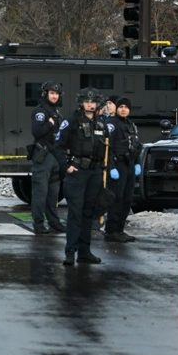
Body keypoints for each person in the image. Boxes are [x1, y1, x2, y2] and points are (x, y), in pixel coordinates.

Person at [57, 88, 109, 265]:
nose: (90, 104)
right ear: (81, 103)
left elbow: (106, 147)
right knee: (75, 213)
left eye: (93, 101)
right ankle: (70, 252)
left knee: (89, 213)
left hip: (94, 172)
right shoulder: (71, 121)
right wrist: (66, 166)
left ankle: (85, 252)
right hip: (77, 171)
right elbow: (58, 146)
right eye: (87, 101)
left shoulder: (101, 123)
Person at [30, 81, 66, 234]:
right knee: (41, 193)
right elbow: (37, 132)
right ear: (45, 94)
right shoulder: (40, 112)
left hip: (55, 156)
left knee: (53, 194)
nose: (54, 96)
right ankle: (38, 224)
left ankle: (54, 222)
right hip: (43, 156)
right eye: (51, 93)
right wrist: (50, 124)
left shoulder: (57, 112)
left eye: (56, 93)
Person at [103, 97, 142, 242]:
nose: (123, 109)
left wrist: (137, 163)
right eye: (121, 107)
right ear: (117, 109)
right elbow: (108, 148)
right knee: (116, 199)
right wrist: (111, 167)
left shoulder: (131, 125)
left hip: (130, 164)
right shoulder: (111, 124)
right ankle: (111, 230)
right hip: (118, 166)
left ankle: (120, 229)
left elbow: (137, 146)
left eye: (126, 107)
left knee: (127, 199)